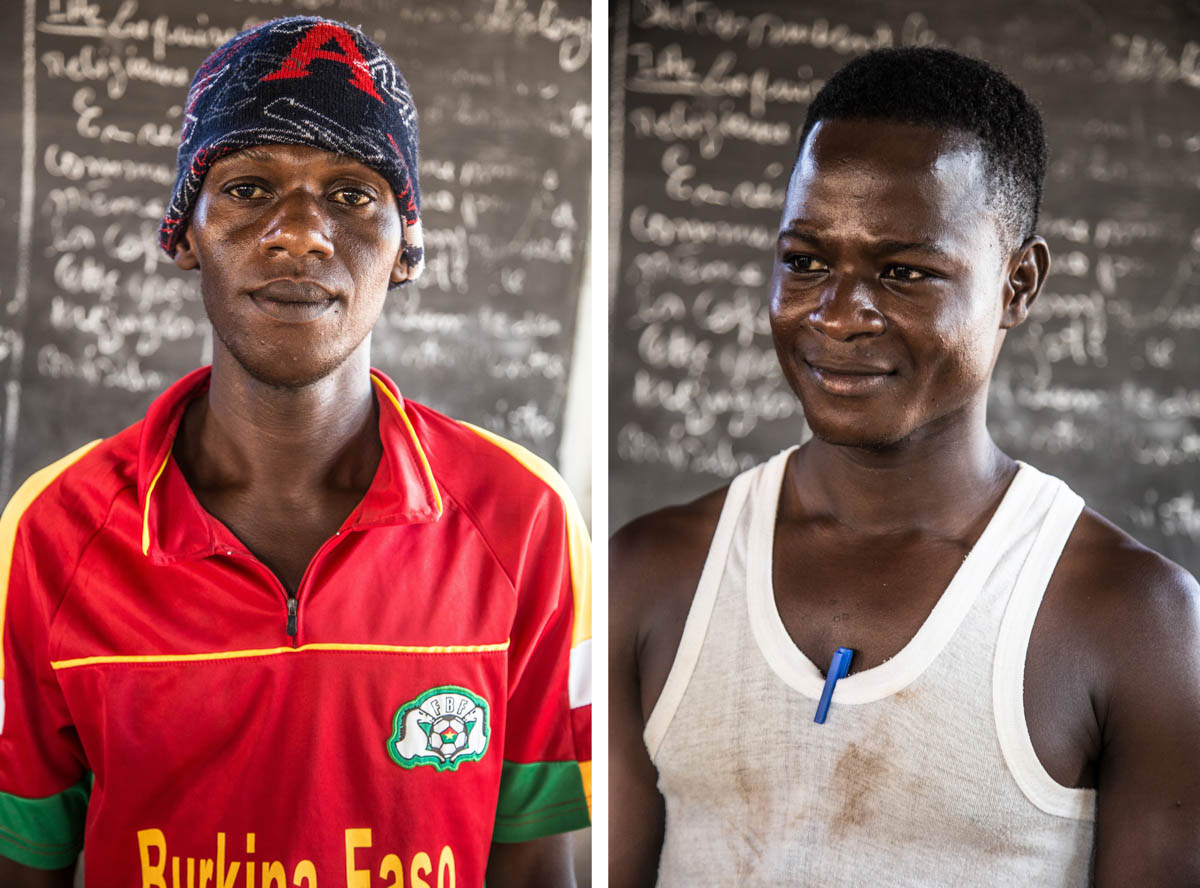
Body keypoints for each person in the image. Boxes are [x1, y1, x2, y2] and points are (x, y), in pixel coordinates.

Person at [0, 17, 590, 888]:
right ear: (184, 232)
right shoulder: (55, 530)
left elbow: (542, 864)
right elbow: (25, 863)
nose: (302, 233)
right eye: (246, 189)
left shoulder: (523, 519)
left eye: (352, 194)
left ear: (405, 247)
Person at [610, 47, 1200, 886]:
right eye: (805, 261)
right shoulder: (655, 571)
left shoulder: (1137, 622)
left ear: (1018, 285)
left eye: (905, 273)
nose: (839, 314)